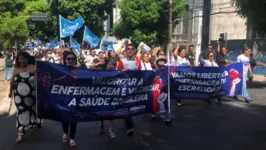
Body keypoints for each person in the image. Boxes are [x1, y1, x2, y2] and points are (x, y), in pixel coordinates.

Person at [8, 51, 42, 143]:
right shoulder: (15, 70)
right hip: (19, 96)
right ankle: (20, 133)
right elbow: (12, 82)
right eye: (20, 59)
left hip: (33, 95)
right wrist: (10, 92)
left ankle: (35, 123)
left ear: (27, 59)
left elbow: (40, 80)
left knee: (33, 110)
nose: (22, 60)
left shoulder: (33, 68)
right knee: (21, 113)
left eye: (24, 58)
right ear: (18, 60)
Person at [117, 44, 141, 136]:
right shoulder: (121, 61)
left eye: (132, 49)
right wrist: (122, 71)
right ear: (126, 51)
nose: (130, 50)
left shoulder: (138, 61)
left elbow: (141, 73)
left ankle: (129, 120)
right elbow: (117, 73)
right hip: (125, 87)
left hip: (135, 87)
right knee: (126, 106)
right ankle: (129, 126)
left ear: (134, 51)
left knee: (132, 106)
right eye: (128, 49)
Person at [61, 51, 78, 148]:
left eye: (72, 59)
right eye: (69, 59)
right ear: (65, 60)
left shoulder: (79, 70)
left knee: (74, 117)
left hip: (75, 97)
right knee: (64, 116)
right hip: (63, 97)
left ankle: (72, 137)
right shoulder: (60, 69)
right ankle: (65, 132)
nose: (71, 60)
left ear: (75, 60)